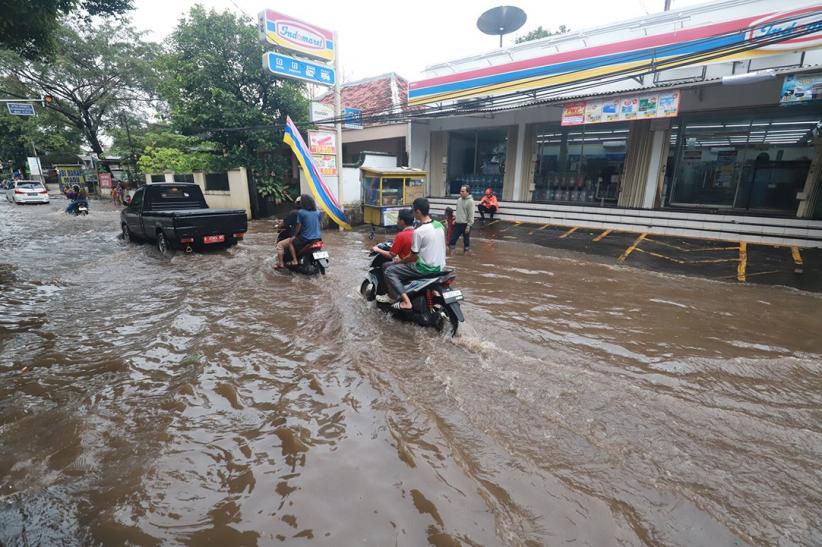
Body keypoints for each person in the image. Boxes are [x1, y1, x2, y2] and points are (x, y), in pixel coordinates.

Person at [378, 198, 446, 310]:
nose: (413, 213)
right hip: (440, 267)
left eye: (414, 211)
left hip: (425, 269)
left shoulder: (419, 231)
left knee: (390, 270)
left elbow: (413, 256)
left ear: (418, 212)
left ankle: (406, 301)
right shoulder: (439, 225)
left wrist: (400, 261)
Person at [284, 194, 322, 267]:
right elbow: (318, 223)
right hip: (317, 238)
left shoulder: (301, 212)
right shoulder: (317, 212)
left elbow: (298, 226)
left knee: (290, 242)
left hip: (306, 238)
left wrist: (294, 236)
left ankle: (294, 260)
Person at [275, 196, 302, 269]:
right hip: (313, 237)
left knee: (280, 245)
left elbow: (285, 223)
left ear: (296, 204)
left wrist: (278, 226)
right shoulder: (310, 213)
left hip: (300, 237)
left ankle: (281, 264)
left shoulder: (294, 213)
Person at [449, 185, 474, 255]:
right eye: (460, 191)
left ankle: (466, 253)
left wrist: (469, 226)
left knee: (466, 240)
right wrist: (455, 219)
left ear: (468, 192)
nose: (461, 192)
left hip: (466, 224)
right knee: (453, 239)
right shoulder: (459, 200)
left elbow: (471, 215)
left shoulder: (470, 202)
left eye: (463, 191)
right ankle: (452, 253)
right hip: (458, 223)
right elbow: (458, 211)